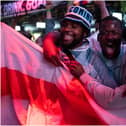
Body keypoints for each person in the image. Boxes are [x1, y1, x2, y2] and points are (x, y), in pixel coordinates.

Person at [43, 3, 122, 88]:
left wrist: (84, 77)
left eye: (74, 27)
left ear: (85, 33)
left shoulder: (93, 59)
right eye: (65, 25)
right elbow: (52, 34)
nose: (67, 29)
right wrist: (48, 41)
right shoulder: (55, 46)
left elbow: (112, 91)